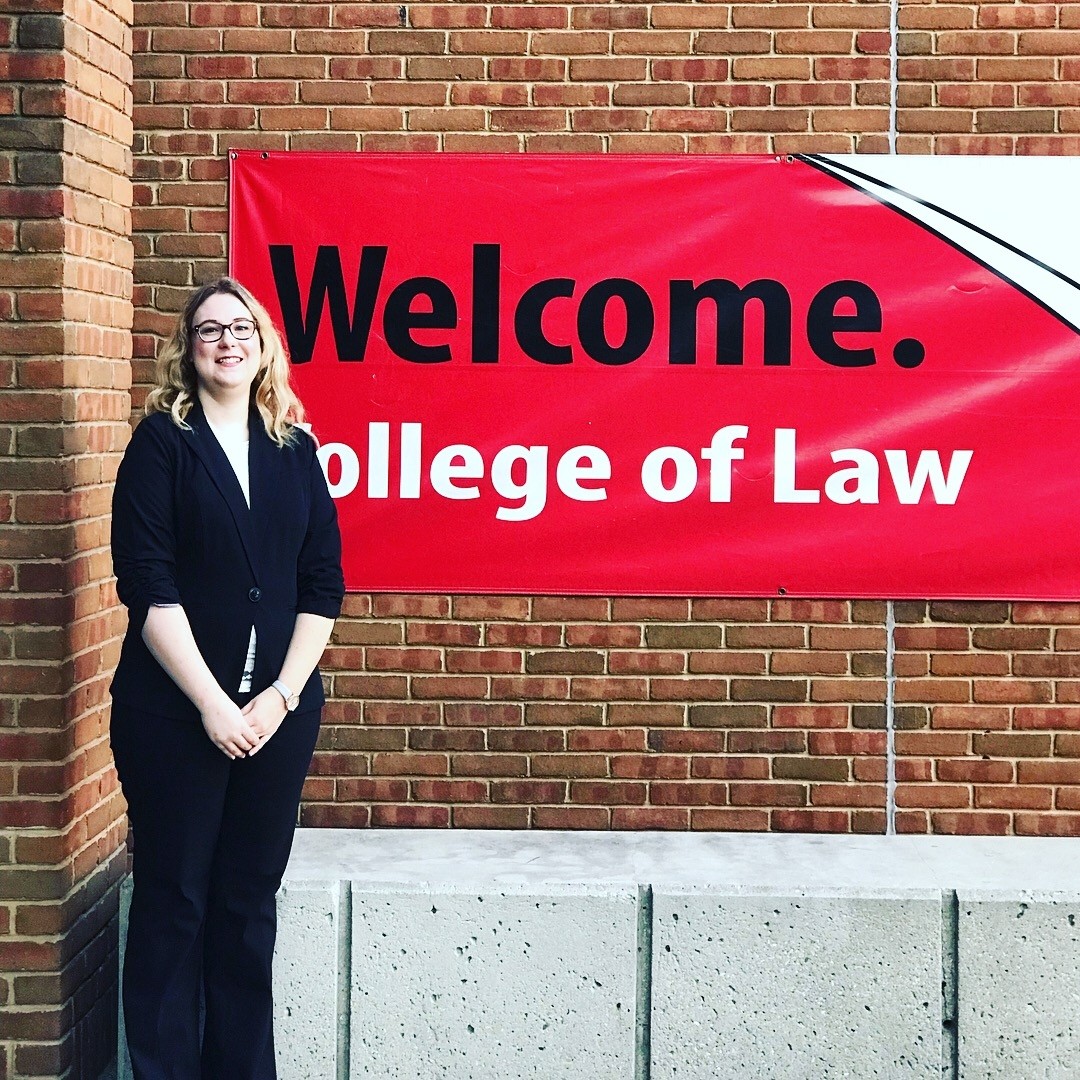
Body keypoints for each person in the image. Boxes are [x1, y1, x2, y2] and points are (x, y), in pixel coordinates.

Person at [109, 276, 345, 1079]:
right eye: (210, 330)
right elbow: (147, 582)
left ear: (264, 344)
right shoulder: (160, 445)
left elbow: (323, 584)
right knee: (175, 902)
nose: (227, 341)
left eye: (241, 328)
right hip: (174, 719)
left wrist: (278, 698)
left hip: (278, 719)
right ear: (188, 347)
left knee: (247, 908)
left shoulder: (295, 448)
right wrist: (213, 704)